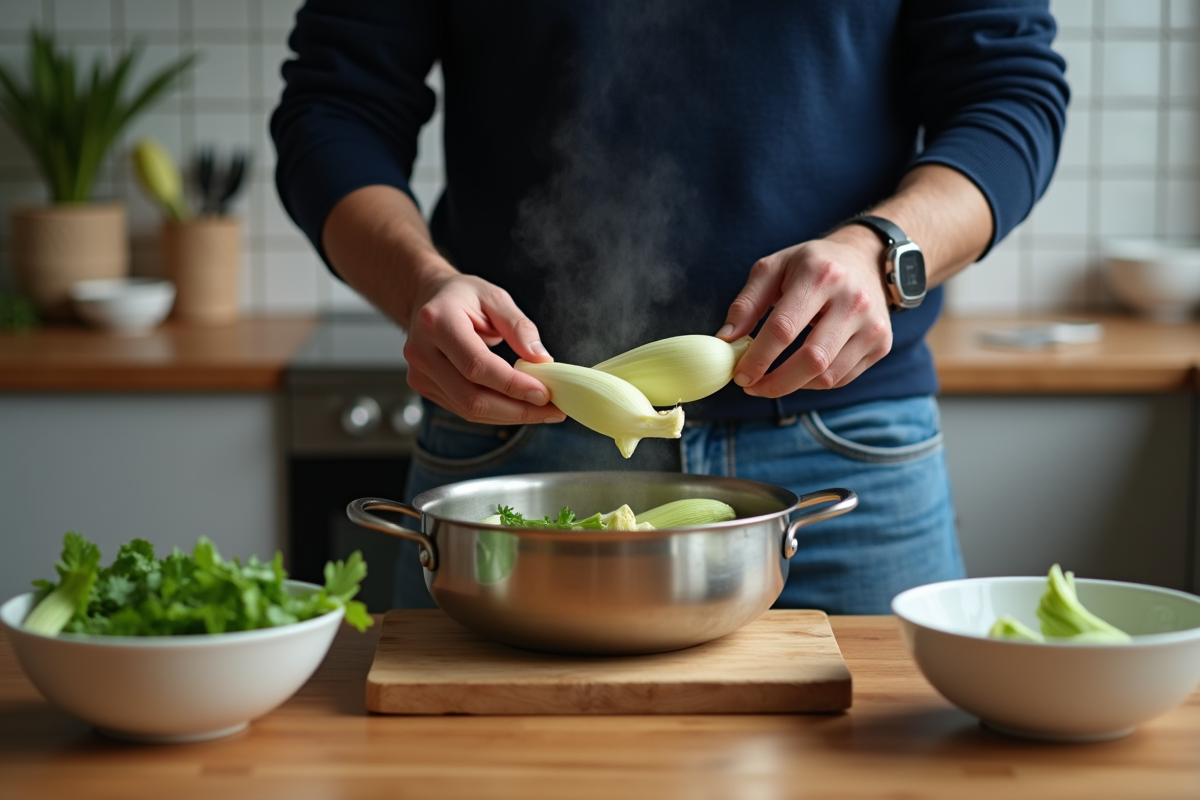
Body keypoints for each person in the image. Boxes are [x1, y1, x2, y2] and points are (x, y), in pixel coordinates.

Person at [272, 1, 1069, 612]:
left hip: (847, 456)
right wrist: (422, 284)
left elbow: (1010, 93)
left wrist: (881, 248)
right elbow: (334, 109)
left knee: (901, 766)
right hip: (519, 448)